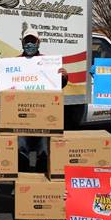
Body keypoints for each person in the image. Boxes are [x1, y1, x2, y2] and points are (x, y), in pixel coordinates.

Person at [17, 28, 68, 172]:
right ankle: (23, 182)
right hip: (22, 116)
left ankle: (40, 184)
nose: (29, 44)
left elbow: (57, 86)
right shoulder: (15, 62)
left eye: (32, 41)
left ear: (38, 42)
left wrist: (63, 77)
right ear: (22, 43)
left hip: (44, 116)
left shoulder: (49, 62)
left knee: (44, 151)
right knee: (21, 150)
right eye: (27, 41)